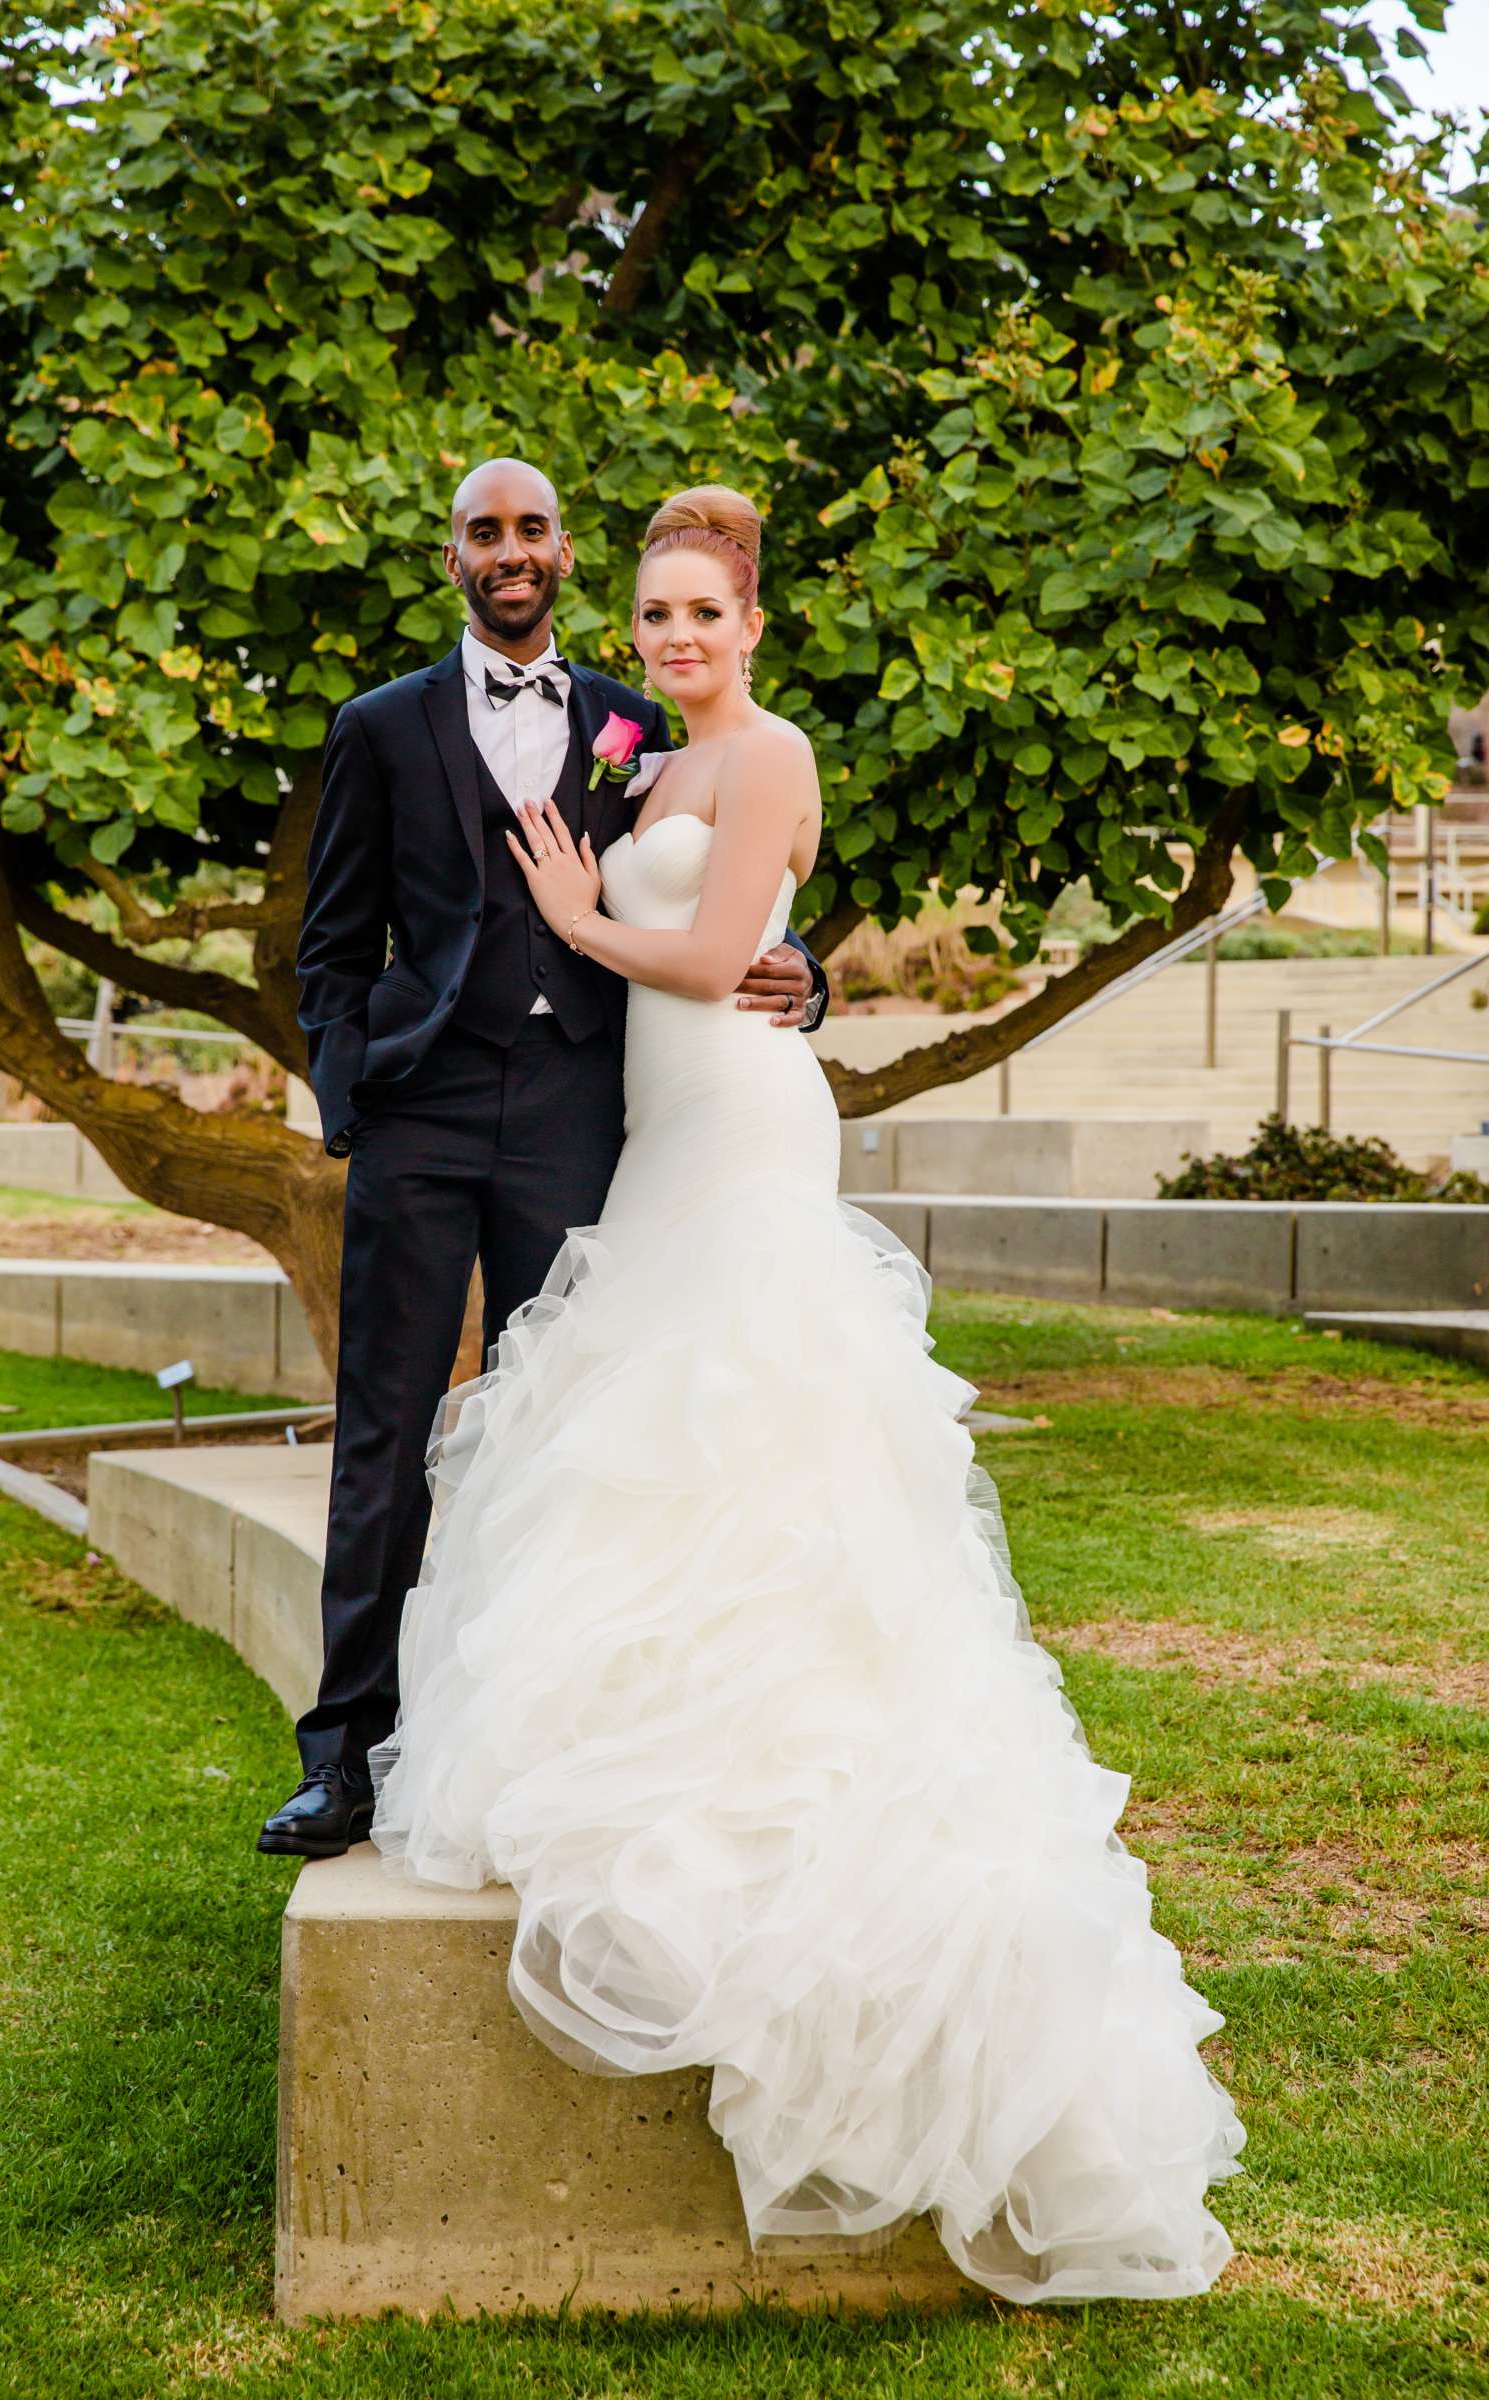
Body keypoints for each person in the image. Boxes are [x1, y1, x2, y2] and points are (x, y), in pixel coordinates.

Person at [365, 484, 1245, 2303]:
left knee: (762, 1415)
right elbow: (748, 945)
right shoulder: (646, 757)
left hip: (743, 1125)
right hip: (657, 1121)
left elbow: (712, 956)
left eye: (705, 613)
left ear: (754, 620)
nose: (679, 639)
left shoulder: (766, 753)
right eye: (658, 616)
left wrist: (579, 914)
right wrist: (659, 928)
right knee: (664, 1426)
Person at [258, 460, 827, 1859]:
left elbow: (747, 881)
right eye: (482, 532)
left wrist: (803, 972)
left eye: (530, 532)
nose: (509, 554)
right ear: (452, 554)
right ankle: (344, 1758)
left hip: (584, 1117)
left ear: (563, 555)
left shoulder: (638, 722)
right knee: (385, 1431)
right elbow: (328, 948)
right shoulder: (379, 728)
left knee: (547, 1436)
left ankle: (499, 1735)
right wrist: (357, 1099)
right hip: (424, 1117)